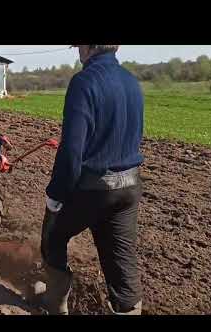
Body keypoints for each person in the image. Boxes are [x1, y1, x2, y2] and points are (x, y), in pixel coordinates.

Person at [37, 45, 144, 315]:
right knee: (121, 262)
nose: (78, 51)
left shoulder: (84, 82)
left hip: (93, 189)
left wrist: (56, 195)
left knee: (53, 237)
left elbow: (72, 150)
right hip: (129, 188)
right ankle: (128, 310)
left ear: (89, 47)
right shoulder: (131, 81)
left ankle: (56, 304)